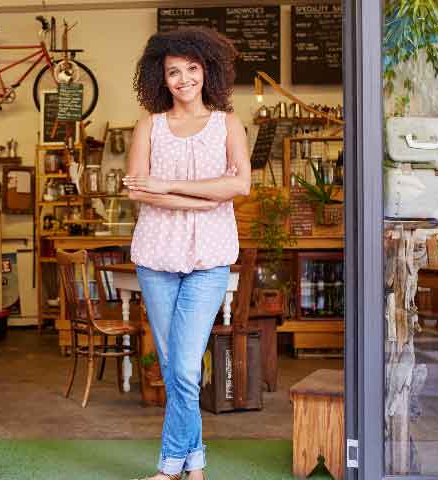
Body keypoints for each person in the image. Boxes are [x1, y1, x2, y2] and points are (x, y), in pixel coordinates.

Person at [123, 27, 251, 480]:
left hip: (210, 259)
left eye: (192, 69)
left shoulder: (228, 124)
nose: (183, 79)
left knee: (183, 365)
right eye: (173, 71)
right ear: (161, 78)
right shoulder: (149, 126)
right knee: (177, 368)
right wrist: (207, 196)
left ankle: (167, 468)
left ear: (207, 71)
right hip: (156, 258)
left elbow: (241, 186)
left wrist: (168, 185)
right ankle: (194, 465)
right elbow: (139, 190)